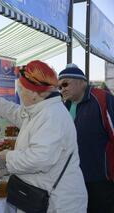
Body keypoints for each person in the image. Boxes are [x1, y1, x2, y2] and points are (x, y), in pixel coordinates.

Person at [0, 60, 87, 212]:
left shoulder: (52, 116)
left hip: (58, 202)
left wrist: (8, 156)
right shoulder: (40, 108)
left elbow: (39, 159)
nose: (18, 93)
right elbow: (15, 112)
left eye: (20, 89)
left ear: (33, 93)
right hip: (45, 194)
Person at [58, 63, 114, 213]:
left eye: (65, 83)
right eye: (60, 87)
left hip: (100, 179)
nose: (62, 89)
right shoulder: (64, 106)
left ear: (81, 82)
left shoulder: (102, 99)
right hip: (73, 178)